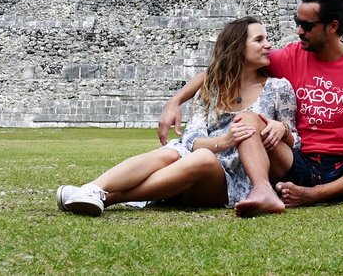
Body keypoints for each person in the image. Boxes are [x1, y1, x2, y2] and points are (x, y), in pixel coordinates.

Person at [159, 0, 343, 207]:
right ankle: (264, 190)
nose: (298, 30)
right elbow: (225, 65)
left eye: (306, 25)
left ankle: (318, 194)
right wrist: (175, 101)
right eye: (296, 22)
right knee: (249, 119)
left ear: (332, 26)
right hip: (296, 161)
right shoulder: (289, 57)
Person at [57, 16, 299, 218]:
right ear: (237, 47)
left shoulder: (278, 88)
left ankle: (107, 198)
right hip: (196, 159)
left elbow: (295, 143)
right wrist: (225, 141)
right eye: (259, 40)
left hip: (235, 179)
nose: (269, 45)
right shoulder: (211, 90)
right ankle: (93, 189)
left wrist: (282, 130)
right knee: (173, 152)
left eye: (267, 39)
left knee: (202, 157)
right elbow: (192, 139)